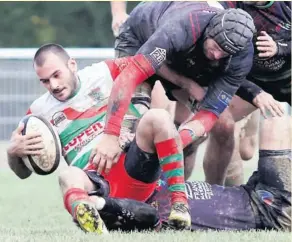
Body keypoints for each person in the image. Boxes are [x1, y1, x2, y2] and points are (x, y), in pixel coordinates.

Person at [6, 44, 191, 234]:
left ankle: (179, 205)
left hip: (132, 165)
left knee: (158, 117)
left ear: (72, 65)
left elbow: (151, 66)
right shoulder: (38, 114)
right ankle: (92, 218)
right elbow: (23, 173)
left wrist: (191, 91)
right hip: (94, 182)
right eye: (45, 81)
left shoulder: (104, 72)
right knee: (67, 175)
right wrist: (13, 152)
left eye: (56, 75)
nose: (53, 85)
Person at [92, 1, 261, 182]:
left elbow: (210, 112)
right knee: (131, 122)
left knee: (222, 123)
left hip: (183, 57)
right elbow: (128, 77)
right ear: (209, 32)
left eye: (225, 53)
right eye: (217, 48)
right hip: (140, 39)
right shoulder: (182, 27)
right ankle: (105, 186)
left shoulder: (240, 56)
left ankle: (206, 190)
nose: (218, 55)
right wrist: (110, 135)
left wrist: (178, 141)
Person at [83, 107, 291, 232]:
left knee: (276, 122)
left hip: (249, 192)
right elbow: (138, 213)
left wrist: (125, 143)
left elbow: (174, 144)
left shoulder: (158, 178)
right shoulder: (152, 213)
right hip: (272, 211)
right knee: (279, 124)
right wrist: (100, 203)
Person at [214, 0, 291, 186]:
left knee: (248, 151)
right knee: (221, 123)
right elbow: (220, 66)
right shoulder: (228, 5)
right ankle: (225, 196)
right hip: (251, 80)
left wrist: (280, 48)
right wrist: (253, 92)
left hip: (288, 76)